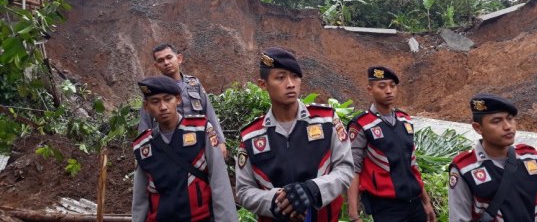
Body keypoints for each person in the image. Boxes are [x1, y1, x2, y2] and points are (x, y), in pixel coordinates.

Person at [235, 47, 354, 221]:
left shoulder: (327, 121)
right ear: (263, 84)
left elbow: (345, 170)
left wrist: (312, 190)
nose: (290, 84)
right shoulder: (251, 136)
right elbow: (244, 191)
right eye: (281, 77)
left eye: (295, 76)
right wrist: (277, 201)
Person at [448, 93, 537, 222]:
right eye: (496, 121)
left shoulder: (530, 157)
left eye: (510, 119)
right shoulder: (465, 169)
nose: (508, 126)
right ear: (478, 128)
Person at [131, 75, 238, 222]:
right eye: (155, 102)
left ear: (178, 99)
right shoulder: (143, 146)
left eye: (168, 99)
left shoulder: (202, 131)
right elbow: (140, 198)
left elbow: (220, 183)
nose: (163, 107)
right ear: (146, 107)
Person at [346, 66, 437, 222]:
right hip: (387, 208)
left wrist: (426, 202)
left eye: (392, 86)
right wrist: (354, 214)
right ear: (370, 89)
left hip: (415, 204)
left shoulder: (405, 121)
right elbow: (353, 169)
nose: (388, 91)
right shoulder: (362, 125)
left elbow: (412, 165)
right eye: (382, 86)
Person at [139, 43, 228, 158]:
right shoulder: (152, 91)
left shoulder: (194, 84)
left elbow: (209, 114)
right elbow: (145, 124)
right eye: (161, 60)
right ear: (156, 65)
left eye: (169, 57)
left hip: (199, 146)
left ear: (179, 58)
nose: (166, 63)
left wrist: (220, 141)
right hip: (168, 149)